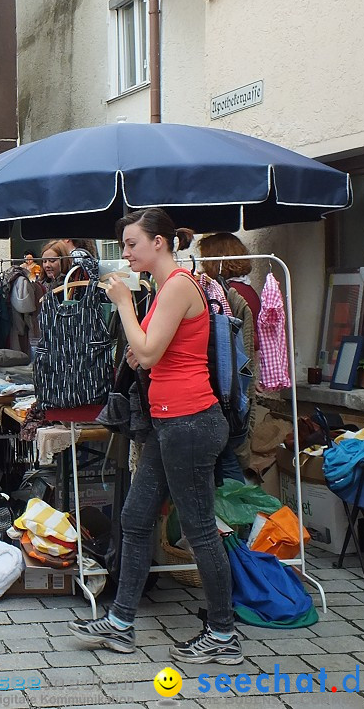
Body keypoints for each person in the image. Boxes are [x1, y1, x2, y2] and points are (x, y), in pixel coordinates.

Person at [69, 207, 240, 665]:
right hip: (173, 422)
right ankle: (121, 623)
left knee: (200, 531)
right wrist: (136, 346)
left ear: (159, 243)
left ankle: (223, 633)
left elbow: (147, 352)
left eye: (131, 244)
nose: (125, 253)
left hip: (189, 422)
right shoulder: (169, 287)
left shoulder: (180, 285)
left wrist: (125, 305)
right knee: (136, 517)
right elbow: (149, 353)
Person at [197, 232, 260, 484]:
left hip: (231, 382)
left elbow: (239, 343)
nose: (201, 264)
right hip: (239, 379)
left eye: (204, 259)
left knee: (228, 456)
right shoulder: (246, 290)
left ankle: (237, 517)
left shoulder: (230, 294)